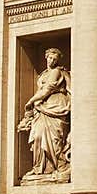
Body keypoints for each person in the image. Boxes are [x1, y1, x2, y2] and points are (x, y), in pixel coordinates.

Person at [18, 48, 71, 178]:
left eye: (55, 59)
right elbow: (41, 91)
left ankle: (58, 165)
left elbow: (47, 90)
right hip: (42, 107)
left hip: (56, 105)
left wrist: (31, 101)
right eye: (50, 58)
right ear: (46, 58)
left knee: (55, 139)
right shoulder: (43, 74)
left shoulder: (57, 72)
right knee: (38, 137)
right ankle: (39, 168)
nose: (52, 61)